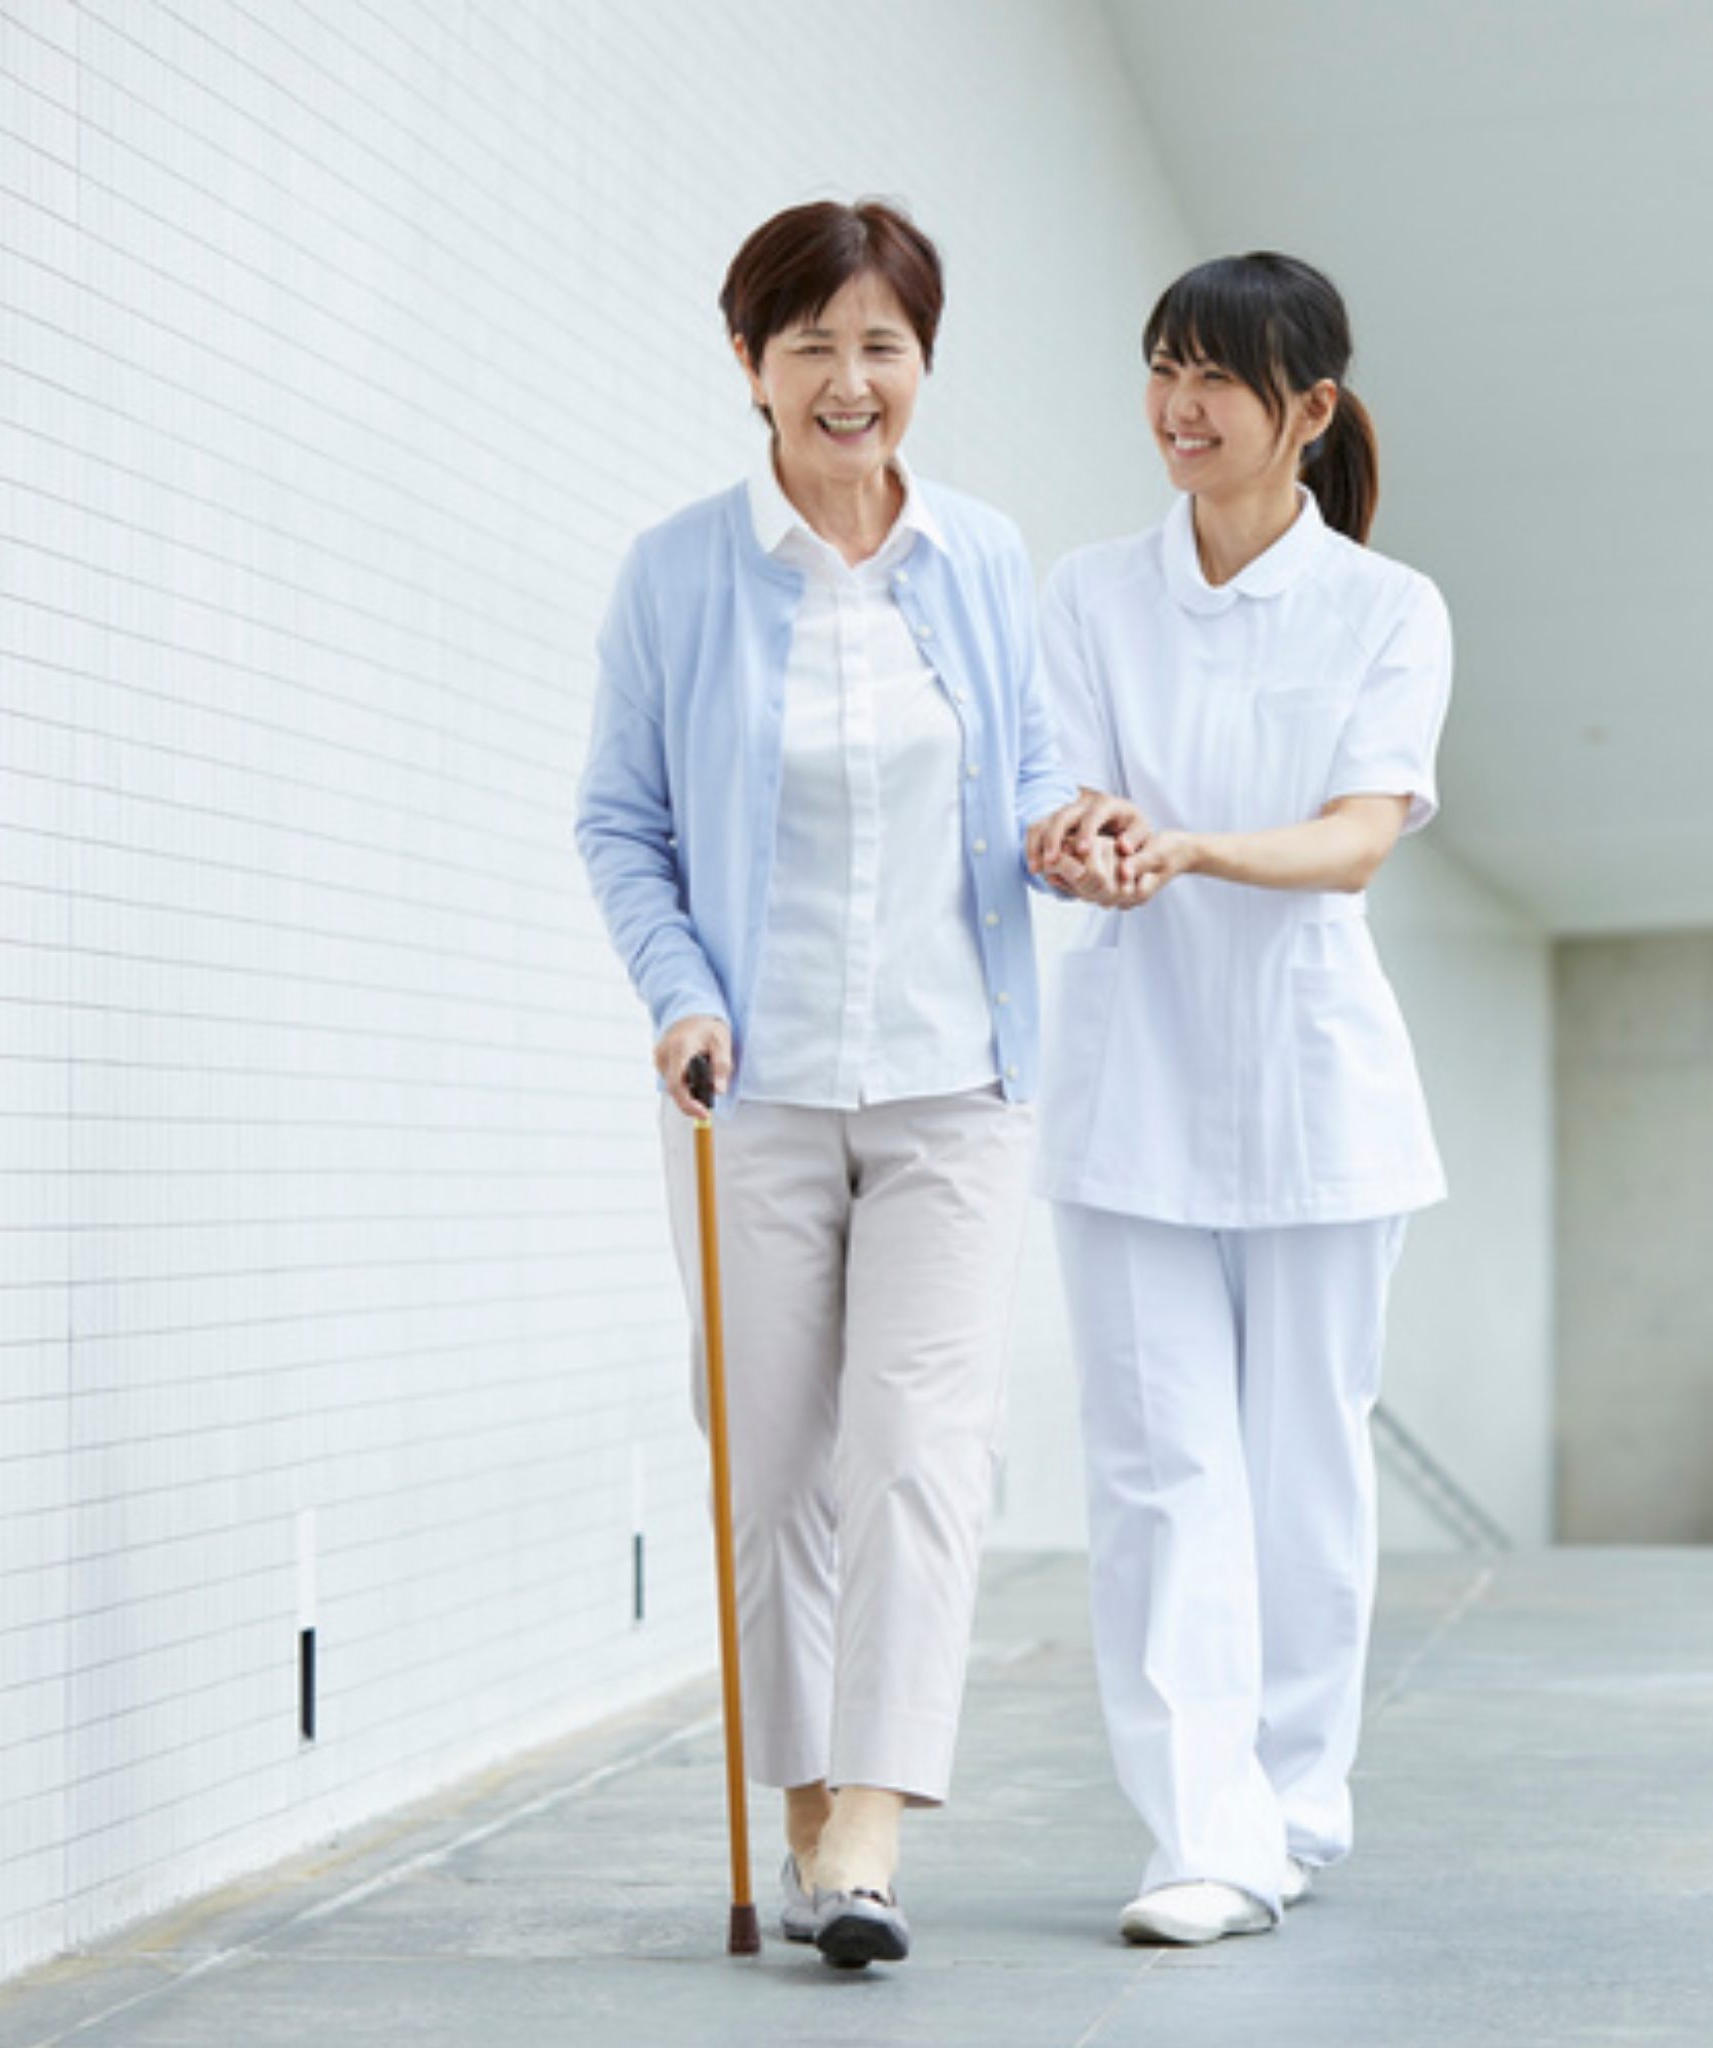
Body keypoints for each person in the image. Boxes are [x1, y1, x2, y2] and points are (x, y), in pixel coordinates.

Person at [574, 199, 1073, 1970]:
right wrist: (681, 994)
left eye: (885, 347)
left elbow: (1030, 771)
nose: (851, 383)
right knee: (773, 1466)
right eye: (815, 346)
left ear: (921, 364)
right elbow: (622, 824)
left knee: (921, 1452)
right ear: (749, 363)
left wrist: (1065, 838)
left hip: (959, 1081)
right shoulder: (678, 573)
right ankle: (794, 1821)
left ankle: (868, 1832)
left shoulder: (988, 560)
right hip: (753, 1089)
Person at [1026, 252, 1453, 1947]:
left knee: (1297, 1477)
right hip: (1128, 1098)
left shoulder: (1389, 608)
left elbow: (1357, 839)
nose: (1179, 407)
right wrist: (1080, 841)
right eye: (1161, 369)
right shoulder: (1087, 592)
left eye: (1216, 378)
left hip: (1316, 1104)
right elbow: (1055, 797)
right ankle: (1199, 1835)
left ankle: (1290, 1802)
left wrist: (1193, 842)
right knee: (1153, 1475)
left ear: (1310, 412)